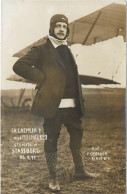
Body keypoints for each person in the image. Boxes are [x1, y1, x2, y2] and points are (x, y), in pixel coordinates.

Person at [13, 14, 98, 192]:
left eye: (64, 26)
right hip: (53, 106)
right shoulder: (41, 49)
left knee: (77, 135)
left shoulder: (67, 49)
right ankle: (53, 178)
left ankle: (80, 171)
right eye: (58, 26)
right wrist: (41, 78)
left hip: (73, 105)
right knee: (51, 139)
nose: (61, 29)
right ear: (52, 28)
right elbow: (19, 65)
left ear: (67, 29)